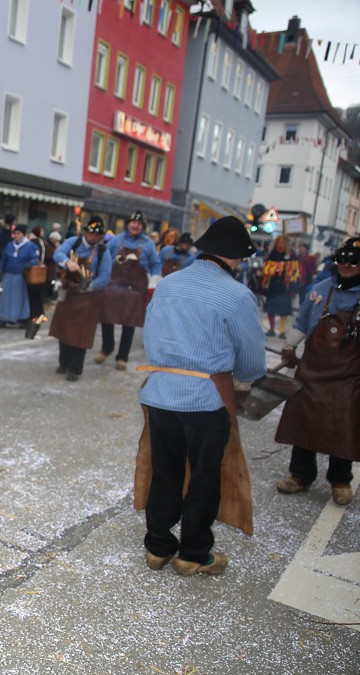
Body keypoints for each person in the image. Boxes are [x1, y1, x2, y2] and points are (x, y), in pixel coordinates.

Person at [134, 216, 266, 576]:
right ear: (238, 258)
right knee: (205, 477)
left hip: (160, 393)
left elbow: (150, 338)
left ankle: (157, 547)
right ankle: (192, 554)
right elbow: (253, 362)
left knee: (166, 472)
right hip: (207, 400)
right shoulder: (238, 295)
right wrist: (243, 377)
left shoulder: (168, 284)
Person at [274, 238, 360, 506]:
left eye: (353, 261)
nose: (346, 265)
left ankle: (340, 479)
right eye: (341, 259)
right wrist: (290, 346)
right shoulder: (320, 289)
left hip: (351, 373)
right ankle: (300, 475)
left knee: (344, 423)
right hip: (313, 368)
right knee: (305, 419)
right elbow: (301, 322)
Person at [49, 217, 113, 381]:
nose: (93, 237)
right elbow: (58, 254)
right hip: (69, 291)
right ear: (85, 232)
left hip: (88, 296)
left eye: (96, 235)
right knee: (63, 329)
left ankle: (75, 369)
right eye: (91, 233)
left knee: (81, 334)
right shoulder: (73, 242)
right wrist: (67, 262)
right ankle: (63, 363)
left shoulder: (102, 251)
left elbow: (104, 277)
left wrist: (87, 287)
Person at [97, 210, 161, 370]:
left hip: (135, 288)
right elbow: (104, 258)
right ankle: (107, 347)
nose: (135, 226)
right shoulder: (116, 240)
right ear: (128, 224)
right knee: (106, 317)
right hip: (113, 285)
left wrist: (154, 282)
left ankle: (122, 356)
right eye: (133, 222)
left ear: (143, 227)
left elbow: (156, 264)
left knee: (129, 322)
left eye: (139, 224)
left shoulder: (148, 244)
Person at [0, 224, 39, 329]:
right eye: (15, 233)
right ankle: (4, 318)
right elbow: (4, 260)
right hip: (9, 274)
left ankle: (21, 318)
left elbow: (36, 259)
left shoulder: (30, 246)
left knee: (19, 298)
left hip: (21, 275)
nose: (16, 235)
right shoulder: (9, 245)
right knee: (6, 297)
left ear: (24, 234)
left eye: (18, 233)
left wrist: (30, 264)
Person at [260, 235, 300, 338]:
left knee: (283, 310)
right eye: (279, 243)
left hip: (284, 287)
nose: (280, 245)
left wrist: (293, 288)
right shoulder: (272, 254)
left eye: (283, 243)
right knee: (270, 309)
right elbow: (265, 271)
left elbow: (295, 272)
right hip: (272, 286)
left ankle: (282, 331)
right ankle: (271, 329)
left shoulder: (291, 255)